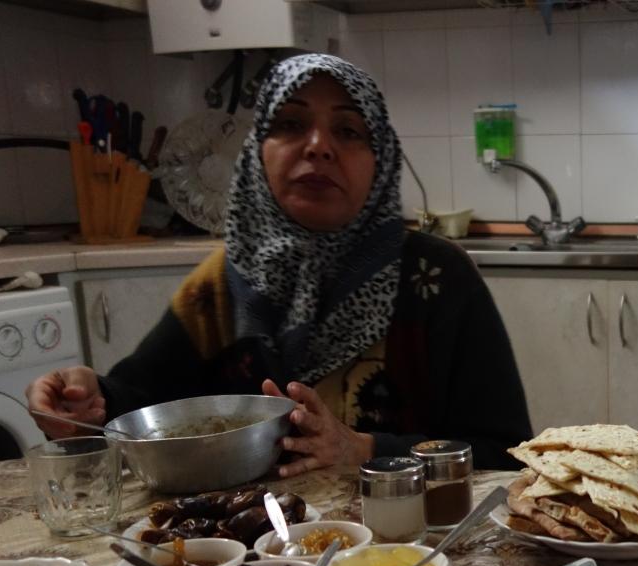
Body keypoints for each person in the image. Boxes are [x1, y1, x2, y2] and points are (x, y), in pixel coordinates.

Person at [26, 54, 531, 475]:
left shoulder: (436, 279)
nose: (319, 146)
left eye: (349, 130)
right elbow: (144, 408)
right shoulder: (221, 287)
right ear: (256, 153)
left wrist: (365, 450)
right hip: (254, 553)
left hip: (412, 552)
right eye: (290, 124)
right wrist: (91, 402)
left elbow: (506, 455)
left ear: (381, 161)